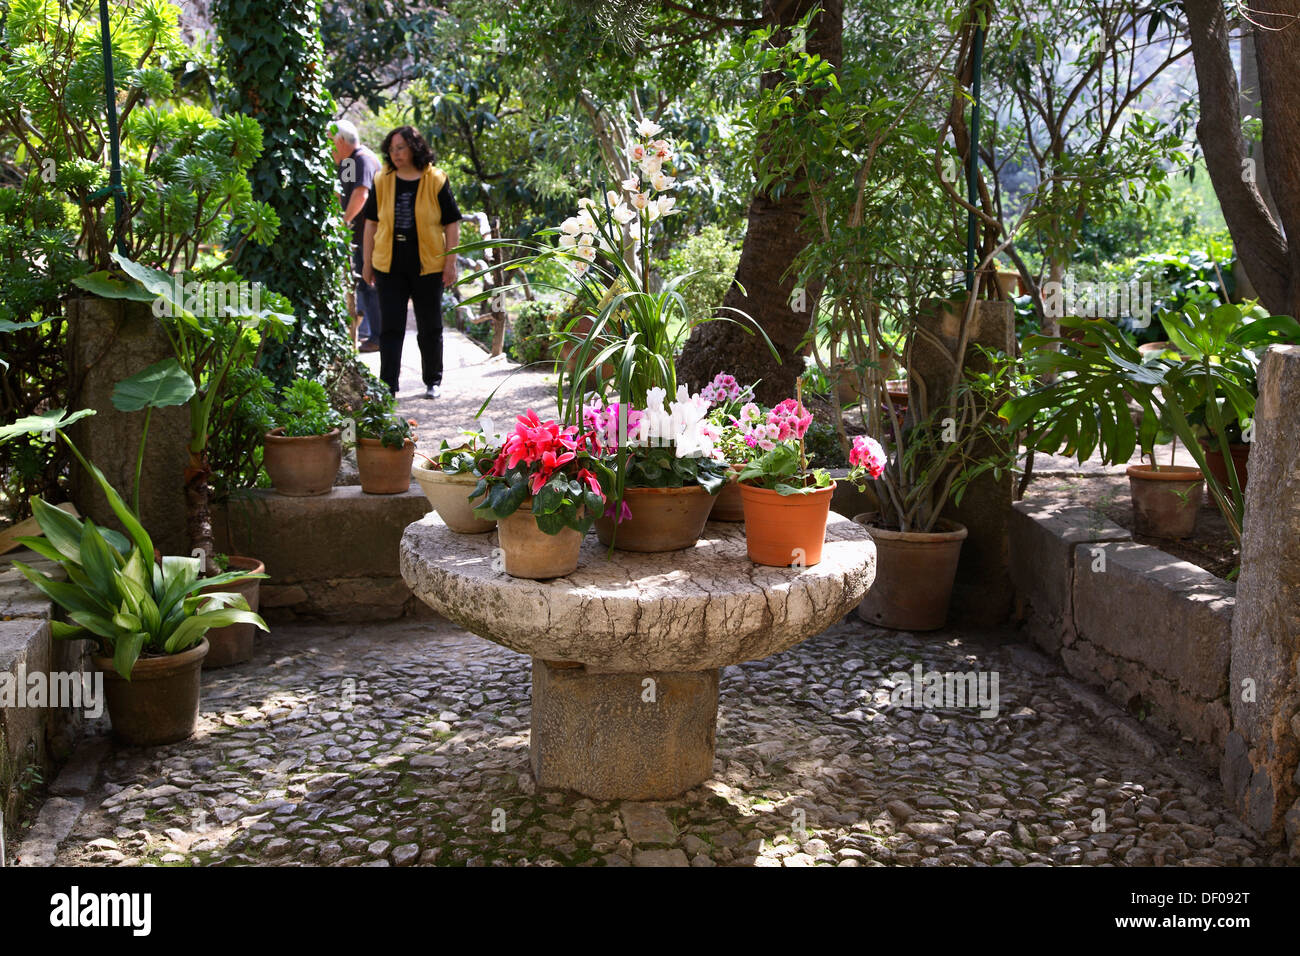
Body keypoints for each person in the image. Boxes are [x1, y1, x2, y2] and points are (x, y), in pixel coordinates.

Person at [361, 126, 462, 398]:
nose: (395, 154)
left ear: (414, 148)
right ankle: (388, 386)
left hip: (428, 265)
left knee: (430, 326)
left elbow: (452, 223)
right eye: (392, 149)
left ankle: (432, 380)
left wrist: (450, 263)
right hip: (389, 264)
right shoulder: (382, 180)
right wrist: (366, 263)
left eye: (401, 148)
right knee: (390, 327)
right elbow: (370, 224)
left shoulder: (436, 179)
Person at [332, 119, 383, 352]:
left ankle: (378, 337)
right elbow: (344, 191)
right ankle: (369, 334)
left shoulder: (363, 159)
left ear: (341, 141)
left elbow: (361, 194)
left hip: (372, 234)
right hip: (360, 235)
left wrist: (343, 223)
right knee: (363, 282)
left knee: (371, 283)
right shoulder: (349, 162)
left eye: (331, 142)